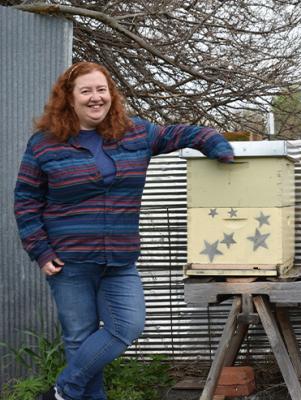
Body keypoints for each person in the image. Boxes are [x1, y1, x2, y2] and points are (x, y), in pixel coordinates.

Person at [14, 61, 234, 400]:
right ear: (69, 98)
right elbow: (26, 201)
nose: (95, 97)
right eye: (85, 91)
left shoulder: (135, 133)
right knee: (80, 338)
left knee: (127, 326)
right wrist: (40, 251)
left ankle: (62, 390)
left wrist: (217, 145)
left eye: (101, 90)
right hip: (68, 261)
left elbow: (183, 134)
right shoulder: (45, 144)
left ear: (111, 95)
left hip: (119, 260)